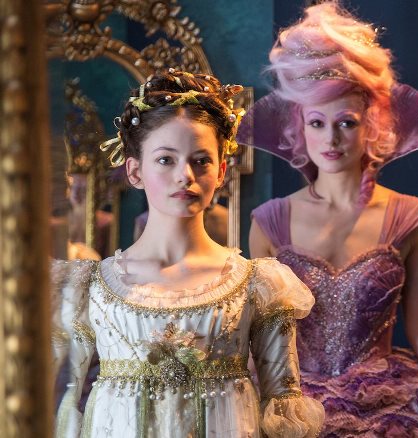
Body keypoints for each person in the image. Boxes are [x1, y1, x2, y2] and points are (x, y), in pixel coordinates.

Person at [242, 3, 418, 437]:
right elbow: (258, 340)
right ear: (299, 127)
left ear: (371, 124)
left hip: (388, 403)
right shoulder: (268, 222)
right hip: (296, 407)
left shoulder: (411, 218)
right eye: (317, 122)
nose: (331, 138)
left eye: (346, 122)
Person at [51, 69, 324, 437]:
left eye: (201, 160)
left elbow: (283, 406)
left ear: (221, 170)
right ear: (135, 171)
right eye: (166, 160)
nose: (185, 175)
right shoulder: (91, 287)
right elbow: (65, 405)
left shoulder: (260, 285)